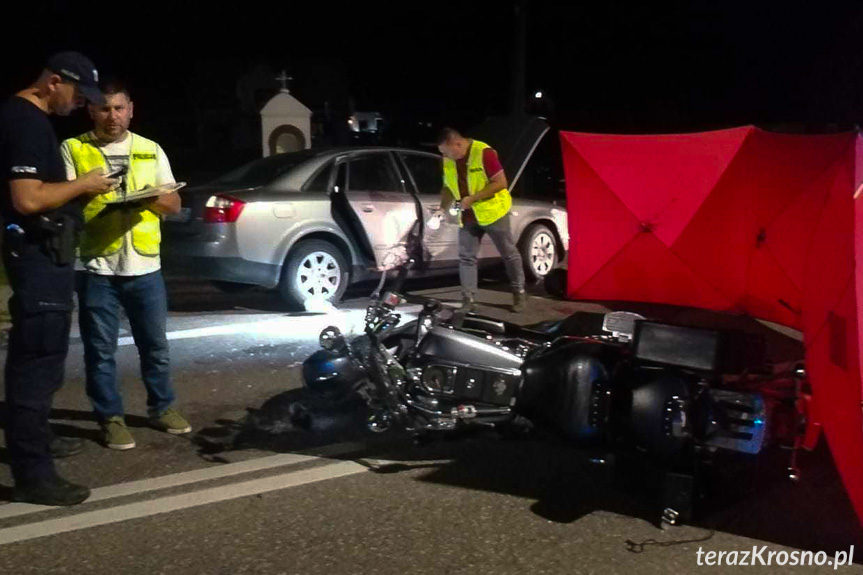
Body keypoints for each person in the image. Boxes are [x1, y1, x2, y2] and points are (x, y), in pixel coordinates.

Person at [0, 52, 117, 505]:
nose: (80, 104)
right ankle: (34, 475)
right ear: (52, 82)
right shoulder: (26, 121)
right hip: (37, 258)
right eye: (77, 93)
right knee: (36, 362)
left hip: (41, 256)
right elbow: (28, 199)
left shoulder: (21, 117)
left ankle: (37, 441)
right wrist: (83, 184)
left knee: (40, 361)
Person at [60, 79, 189, 451]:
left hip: (144, 265)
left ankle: (162, 408)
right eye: (104, 108)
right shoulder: (73, 148)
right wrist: (87, 190)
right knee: (100, 351)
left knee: (155, 346)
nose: (112, 116)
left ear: (131, 109)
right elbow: (62, 200)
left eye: (119, 108)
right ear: (90, 110)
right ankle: (110, 419)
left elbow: (175, 205)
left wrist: (149, 200)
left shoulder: (150, 149)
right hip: (96, 266)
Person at [436, 128, 527, 313]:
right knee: (466, 257)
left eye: (446, 151)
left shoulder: (484, 153)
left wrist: (474, 198)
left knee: (508, 253)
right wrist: (442, 208)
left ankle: (519, 291)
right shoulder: (448, 160)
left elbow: (501, 182)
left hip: (493, 212)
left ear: (458, 144)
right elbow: (447, 187)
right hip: (468, 216)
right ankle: (468, 299)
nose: (445, 156)